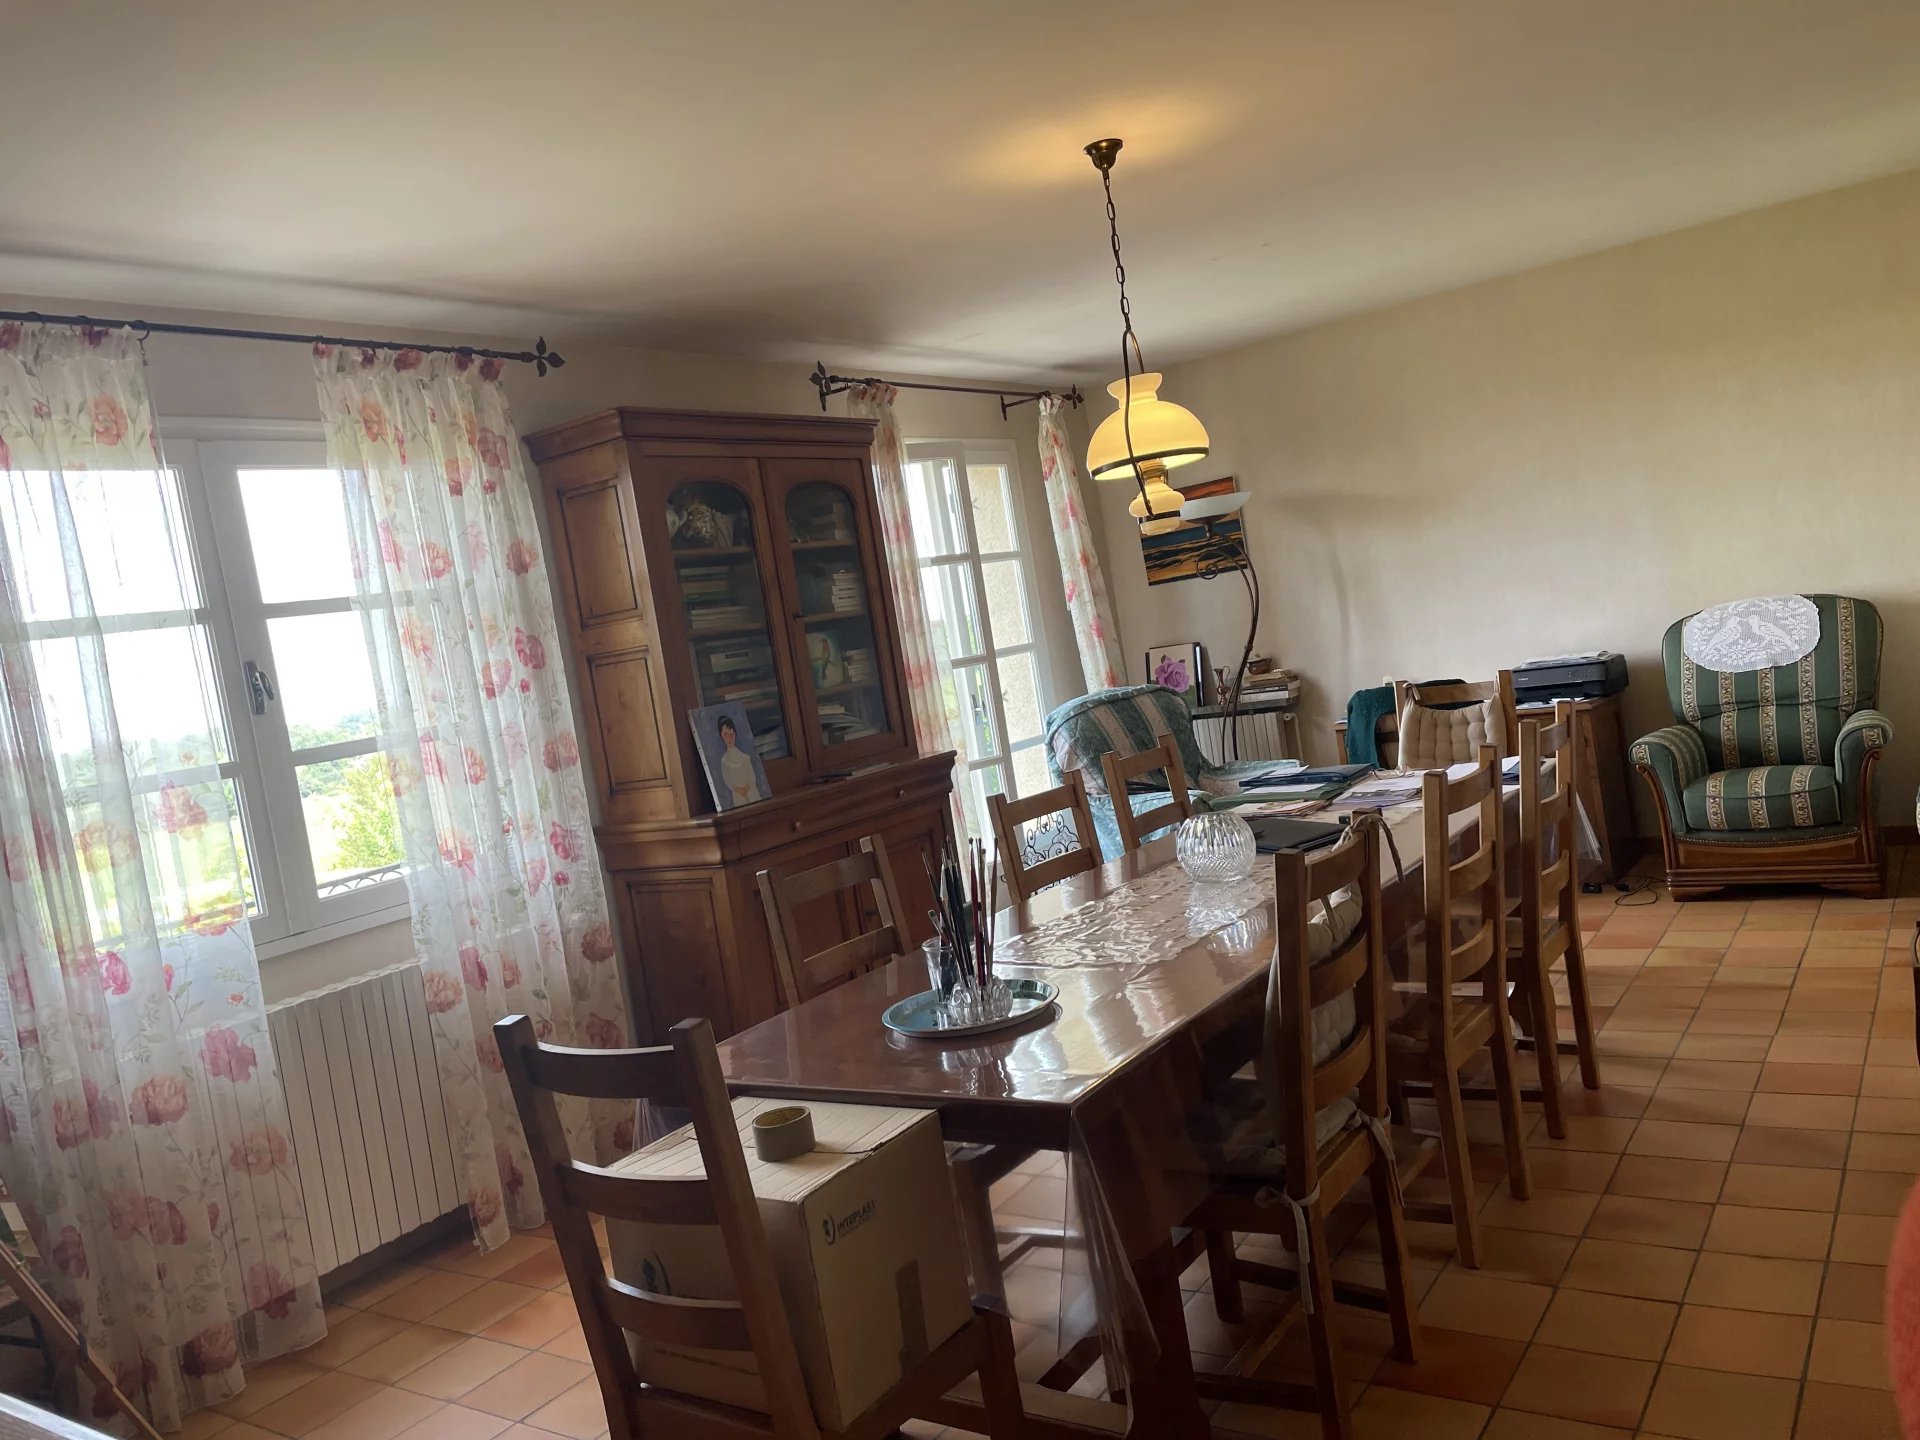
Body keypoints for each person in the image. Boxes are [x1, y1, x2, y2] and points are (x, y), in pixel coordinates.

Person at [716, 714, 762, 806]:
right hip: (738, 797)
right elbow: (727, 780)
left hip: (752, 794)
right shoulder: (724, 761)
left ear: (735, 734)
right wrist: (738, 789)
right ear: (721, 735)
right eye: (725, 734)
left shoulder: (745, 757)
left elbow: (752, 776)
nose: (729, 738)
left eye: (731, 734)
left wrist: (748, 787)